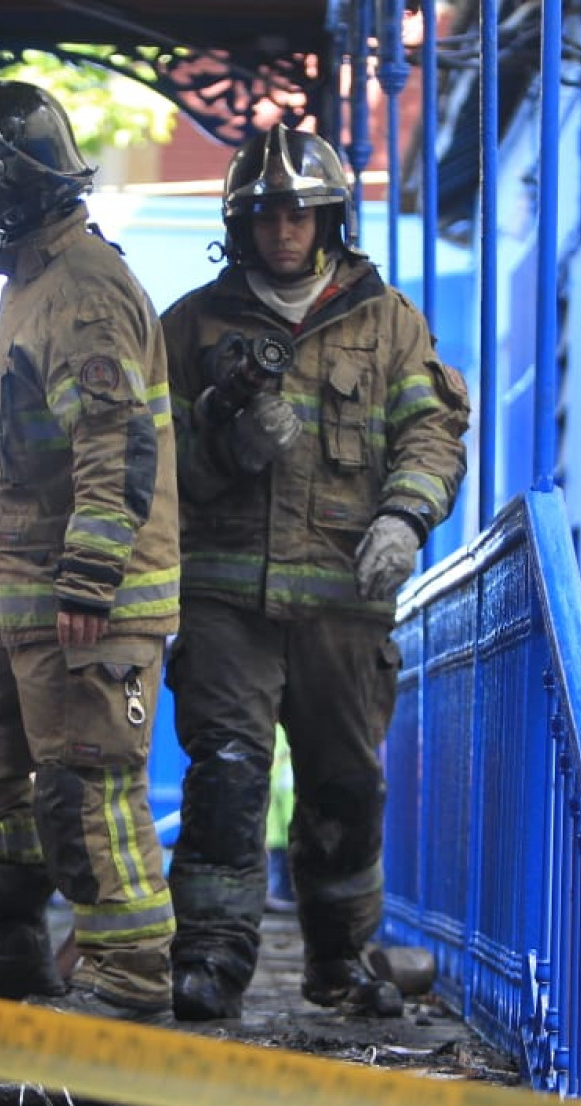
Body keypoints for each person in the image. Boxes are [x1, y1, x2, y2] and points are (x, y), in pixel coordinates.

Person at [159, 124, 470, 1021]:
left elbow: (432, 431)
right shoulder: (192, 325)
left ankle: (340, 961)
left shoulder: (389, 322)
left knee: (345, 783)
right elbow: (156, 459)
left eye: (298, 214)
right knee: (224, 773)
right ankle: (212, 959)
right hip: (225, 600)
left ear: (329, 219)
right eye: (263, 216)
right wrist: (228, 447)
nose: (282, 231)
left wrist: (406, 517)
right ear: (240, 224)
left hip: (345, 598)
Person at [0, 81, 181, 1023]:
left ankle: (128, 978)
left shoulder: (84, 295)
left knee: (87, 784)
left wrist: (93, 578)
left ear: (11, 189)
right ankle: (10, 940)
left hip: (85, 608)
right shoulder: (31, 287)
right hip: (14, 609)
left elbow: (114, 446)